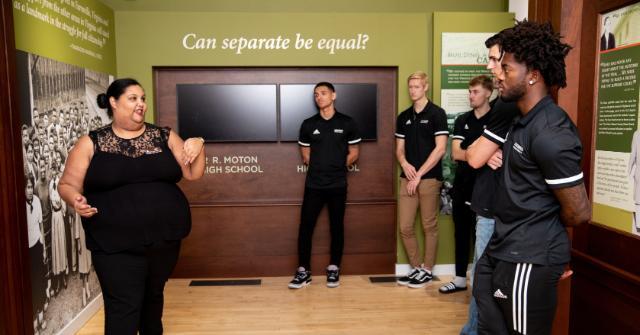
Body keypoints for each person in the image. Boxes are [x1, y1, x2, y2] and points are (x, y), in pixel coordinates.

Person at [58, 78, 206, 334]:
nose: (141, 104)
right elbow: (67, 184)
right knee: (123, 307)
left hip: (163, 240)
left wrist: (199, 144)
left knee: (152, 300)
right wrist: (75, 199)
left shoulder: (164, 136)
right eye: (133, 98)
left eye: (143, 98)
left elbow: (192, 173)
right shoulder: (91, 142)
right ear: (113, 103)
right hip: (113, 243)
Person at [473, 21, 591, 335]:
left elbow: (578, 212)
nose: (498, 73)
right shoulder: (518, 119)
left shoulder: (552, 132)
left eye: (507, 68)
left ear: (532, 75)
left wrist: (545, 242)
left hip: (529, 255)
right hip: (501, 248)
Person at [459, 34, 522, 335]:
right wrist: (483, 153)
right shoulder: (503, 106)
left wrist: (488, 152)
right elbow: (470, 155)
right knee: (484, 280)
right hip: (489, 205)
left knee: (488, 282)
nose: (492, 66)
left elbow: (473, 155)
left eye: (496, 59)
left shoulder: (513, 106)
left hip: (507, 211)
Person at [289, 82, 361, 289]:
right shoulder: (308, 124)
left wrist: (337, 167)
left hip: (338, 184)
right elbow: (305, 155)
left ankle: (334, 268)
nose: (318, 97)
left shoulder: (347, 122)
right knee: (305, 227)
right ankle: (303, 271)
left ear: (333, 95)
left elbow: (354, 153)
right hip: (314, 185)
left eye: (323, 93)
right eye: (316, 94)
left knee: (336, 227)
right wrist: (321, 167)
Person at [439, 75, 494, 294]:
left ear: (489, 92)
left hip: (487, 188)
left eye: (475, 92)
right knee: (461, 234)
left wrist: (471, 152)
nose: (471, 96)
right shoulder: (463, 120)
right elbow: (456, 154)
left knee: (482, 237)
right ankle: (460, 279)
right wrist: (481, 154)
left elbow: (471, 152)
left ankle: (482, 284)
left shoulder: (498, 118)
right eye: (469, 92)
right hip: (463, 186)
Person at [395, 71, 448, 288]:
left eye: (417, 86)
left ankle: (428, 269)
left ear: (425, 87)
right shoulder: (403, 117)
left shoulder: (437, 113)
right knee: (405, 226)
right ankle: (417, 268)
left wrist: (419, 174)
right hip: (407, 178)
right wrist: (405, 164)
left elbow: (440, 149)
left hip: (429, 179)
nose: (413, 90)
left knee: (429, 226)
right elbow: (399, 150)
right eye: (410, 87)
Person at [25, 174, 47, 334]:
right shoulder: (21, 206)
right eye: (27, 187)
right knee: (31, 283)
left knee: (39, 280)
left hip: (38, 246)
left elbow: (41, 228)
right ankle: (33, 318)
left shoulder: (37, 202)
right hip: (28, 251)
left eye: (31, 187)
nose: (30, 190)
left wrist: (44, 248)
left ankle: (40, 314)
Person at [628, 130, 640, 234]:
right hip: (639, 171)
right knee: (638, 199)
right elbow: (633, 154)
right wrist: (628, 171)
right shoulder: (637, 134)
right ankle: (639, 225)